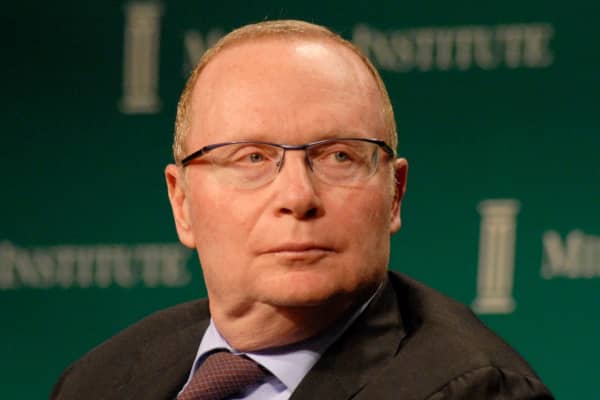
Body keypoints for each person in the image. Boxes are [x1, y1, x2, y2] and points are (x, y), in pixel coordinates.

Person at [51, 20, 554, 399]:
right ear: (181, 202)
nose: (297, 196)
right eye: (251, 157)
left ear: (395, 194)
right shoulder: (98, 381)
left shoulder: (472, 389)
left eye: (339, 156)